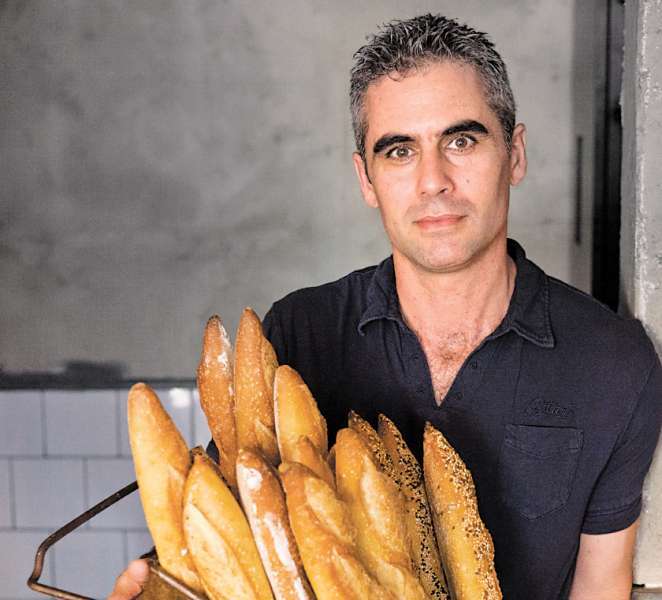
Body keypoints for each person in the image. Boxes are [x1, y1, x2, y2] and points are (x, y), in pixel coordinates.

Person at [110, 13, 662, 600]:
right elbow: (241, 545)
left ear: (515, 155)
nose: (433, 181)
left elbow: (600, 586)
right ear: (367, 179)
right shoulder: (299, 336)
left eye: (461, 141)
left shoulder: (612, 362)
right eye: (399, 151)